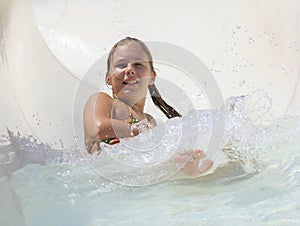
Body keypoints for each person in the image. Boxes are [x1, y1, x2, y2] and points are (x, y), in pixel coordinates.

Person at [83, 37, 213, 177]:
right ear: (109, 78)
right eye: (121, 65)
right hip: (111, 176)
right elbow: (97, 128)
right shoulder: (102, 100)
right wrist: (137, 131)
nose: (130, 70)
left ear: (152, 77)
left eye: (138, 65)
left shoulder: (150, 121)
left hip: (139, 177)